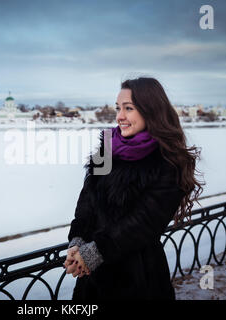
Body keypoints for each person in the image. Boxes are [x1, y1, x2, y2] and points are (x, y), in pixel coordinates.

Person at [63, 77, 204, 300]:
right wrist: (77, 239)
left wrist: (97, 251)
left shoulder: (169, 161)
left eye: (129, 108)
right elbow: (87, 198)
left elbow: (145, 221)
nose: (120, 116)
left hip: (139, 280)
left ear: (151, 111)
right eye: (118, 108)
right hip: (92, 278)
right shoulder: (108, 148)